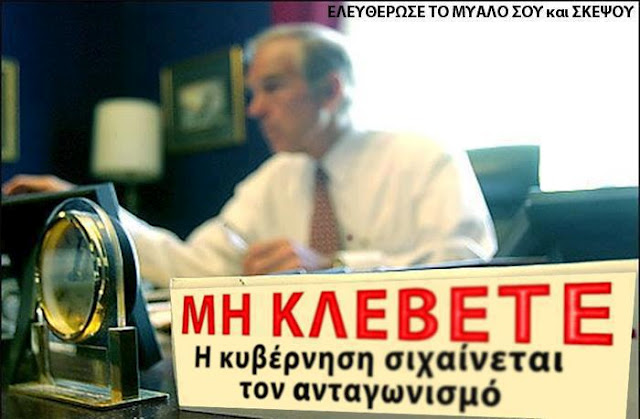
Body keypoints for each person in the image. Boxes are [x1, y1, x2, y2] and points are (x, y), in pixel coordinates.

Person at [2, 23, 497, 288]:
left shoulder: (423, 157)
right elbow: (191, 264)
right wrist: (89, 206)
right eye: (252, 93)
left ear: (330, 90)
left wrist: (337, 265)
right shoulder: (273, 179)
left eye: (273, 88)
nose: (256, 109)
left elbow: (468, 261)